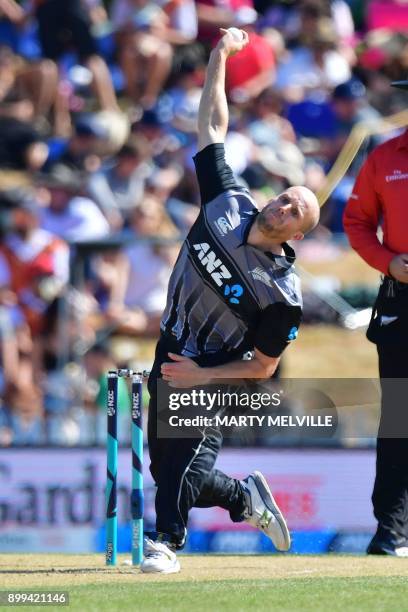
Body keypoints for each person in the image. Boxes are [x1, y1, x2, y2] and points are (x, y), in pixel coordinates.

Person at [142, 28, 320, 574]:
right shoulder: (228, 204)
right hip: (173, 345)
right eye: (286, 197)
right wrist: (220, 56)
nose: (284, 207)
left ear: (298, 234)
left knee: (181, 467)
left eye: (295, 212)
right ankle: (246, 498)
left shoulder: (282, 295)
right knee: (163, 463)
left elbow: (264, 366)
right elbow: (213, 127)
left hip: (219, 373)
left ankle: (165, 545)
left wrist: (202, 375)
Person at [343, 78, 408, 557]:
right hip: (402, 298)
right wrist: (389, 262)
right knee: (401, 416)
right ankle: (393, 530)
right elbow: (357, 222)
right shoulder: (384, 158)